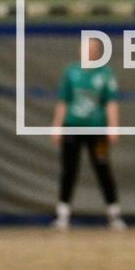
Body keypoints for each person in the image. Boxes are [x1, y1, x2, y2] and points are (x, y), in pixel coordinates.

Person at [51, 37, 126, 230]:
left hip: (97, 131)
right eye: (86, 48)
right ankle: (63, 214)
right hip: (72, 127)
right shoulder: (71, 72)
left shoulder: (105, 74)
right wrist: (57, 126)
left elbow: (110, 102)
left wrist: (113, 127)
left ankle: (114, 213)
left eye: (93, 49)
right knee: (69, 169)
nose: (89, 52)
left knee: (103, 166)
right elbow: (63, 101)